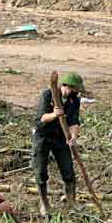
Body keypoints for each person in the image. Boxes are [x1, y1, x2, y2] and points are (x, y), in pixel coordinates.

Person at [33, 72, 84, 215]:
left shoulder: (75, 100)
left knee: (68, 171)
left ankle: (72, 202)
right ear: (66, 86)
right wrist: (55, 115)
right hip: (43, 136)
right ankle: (44, 204)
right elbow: (42, 118)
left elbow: (74, 121)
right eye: (74, 89)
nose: (75, 92)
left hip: (61, 137)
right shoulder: (48, 95)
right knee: (40, 172)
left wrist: (73, 136)